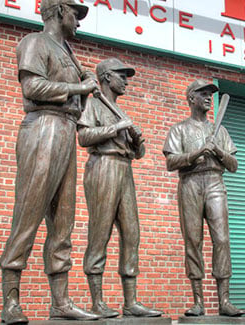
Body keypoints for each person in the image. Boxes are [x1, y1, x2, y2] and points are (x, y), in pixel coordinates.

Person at [0, 0, 101, 323]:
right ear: (58, 12)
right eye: (75, 14)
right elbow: (32, 86)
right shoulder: (35, 42)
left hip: (66, 129)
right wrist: (78, 86)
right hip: (42, 127)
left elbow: (78, 98)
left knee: (63, 221)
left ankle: (61, 302)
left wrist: (83, 88)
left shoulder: (68, 52)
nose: (79, 22)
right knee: (28, 215)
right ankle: (11, 303)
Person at [77, 58, 163, 318]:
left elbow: (140, 154)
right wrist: (116, 127)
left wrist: (137, 140)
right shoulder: (93, 104)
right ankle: (97, 302)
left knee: (132, 233)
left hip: (125, 170)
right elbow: (83, 137)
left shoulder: (120, 111)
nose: (126, 81)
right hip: (103, 166)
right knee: (100, 232)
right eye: (121, 75)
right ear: (106, 78)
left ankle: (131, 301)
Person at [163, 80, 245, 317]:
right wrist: (195, 154)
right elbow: (171, 162)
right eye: (203, 94)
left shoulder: (220, 131)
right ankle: (198, 300)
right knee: (193, 240)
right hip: (190, 183)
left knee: (222, 239)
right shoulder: (179, 129)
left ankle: (225, 301)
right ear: (191, 98)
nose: (209, 97)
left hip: (214, 183)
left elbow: (234, 165)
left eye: (210, 94)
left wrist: (217, 151)